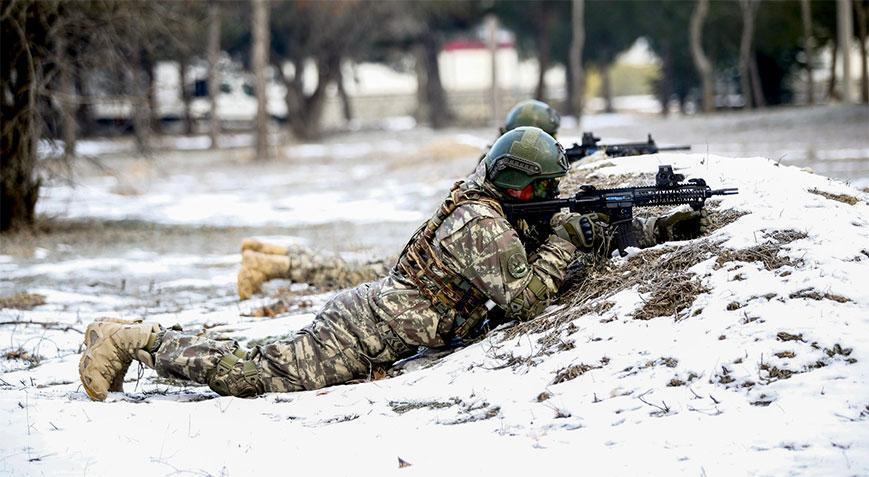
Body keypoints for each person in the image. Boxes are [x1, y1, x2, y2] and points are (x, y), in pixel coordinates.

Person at [79, 127, 705, 400]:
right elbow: (530, 299)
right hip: (364, 328)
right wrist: (568, 236)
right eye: (542, 190)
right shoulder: (478, 223)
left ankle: (143, 339)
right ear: (520, 188)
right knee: (257, 375)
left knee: (258, 358)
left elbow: (559, 220)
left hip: (383, 321)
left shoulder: (497, 200)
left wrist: (646, 225)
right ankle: (133, 339)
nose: (548, 201)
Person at [237, 99, 563, 300]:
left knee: (357, 267)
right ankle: (274, 264)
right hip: (438, 257)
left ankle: (276, 255)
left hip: (440, 248)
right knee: (352, 271)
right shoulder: (501, 170)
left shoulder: (496, 160)